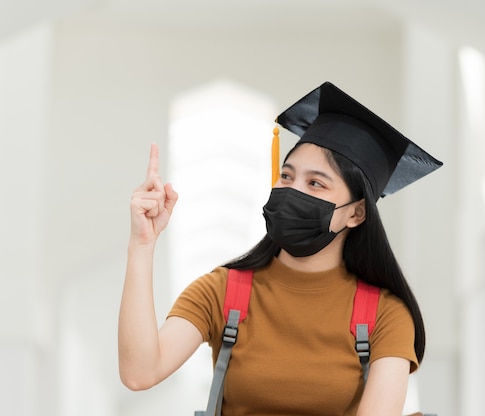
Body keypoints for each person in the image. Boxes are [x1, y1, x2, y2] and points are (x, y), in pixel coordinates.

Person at [118, 82, 442, 415]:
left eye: (315, 183)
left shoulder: (384, 316)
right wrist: (142, 245)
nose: (292, 190)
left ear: (356, 213)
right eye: (286, 177)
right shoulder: (223, 291)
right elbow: (140, 372)